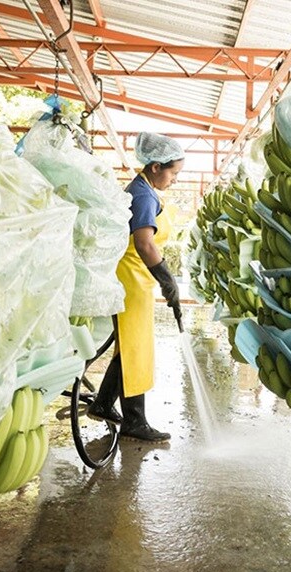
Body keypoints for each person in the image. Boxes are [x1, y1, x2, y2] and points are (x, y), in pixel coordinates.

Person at [87, 132, 184, 443]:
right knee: (135, 347)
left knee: (129, 346)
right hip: (130, 278)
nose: (175, 180)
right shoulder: (142, 195)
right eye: (173, 173)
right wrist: (167, 279)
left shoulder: (146, 190)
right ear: (155, 166)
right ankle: (135, 421)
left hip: (135, 279)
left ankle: (103, 404)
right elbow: (144, 243)